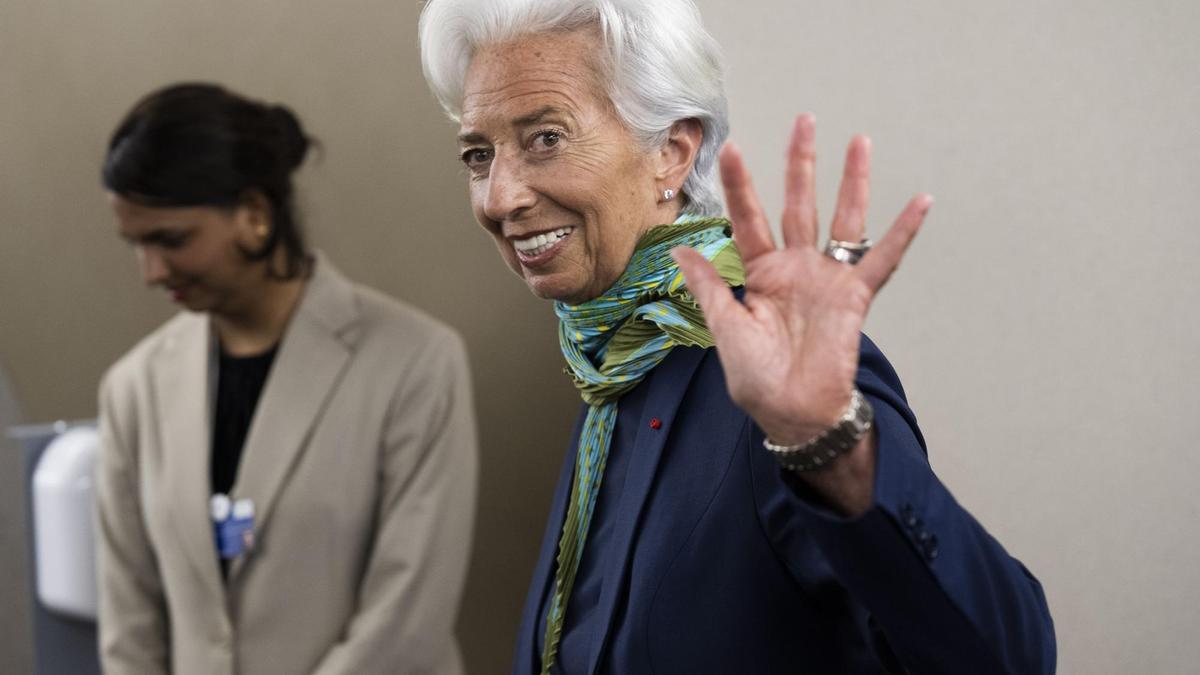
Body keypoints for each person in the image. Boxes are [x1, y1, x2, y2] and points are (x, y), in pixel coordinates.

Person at [418, 1, 1055, 673]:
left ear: (671, 150)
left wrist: (827, 442)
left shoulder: (772, 372)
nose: (500, 196)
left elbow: (1005, 659)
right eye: (478, 155)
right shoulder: (613, 362)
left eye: (545, 138)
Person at [94, 83, 478, 675]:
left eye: (170, 240)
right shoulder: (131, 389)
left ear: (254, 214)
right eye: (134, 244)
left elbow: (406, 619)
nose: (149, 272)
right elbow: (129, 628)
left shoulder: (417, 362)